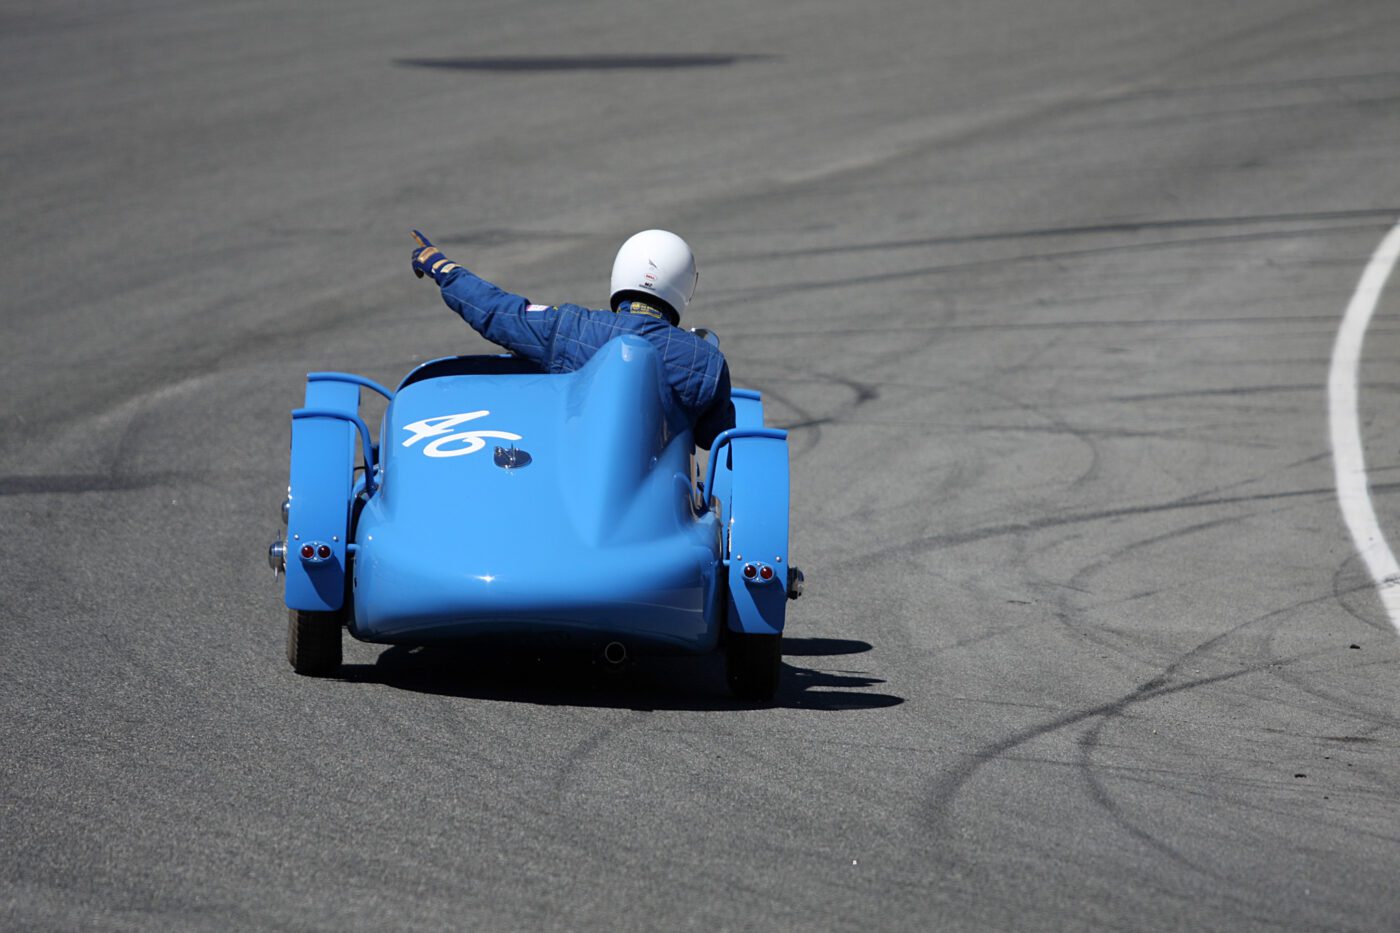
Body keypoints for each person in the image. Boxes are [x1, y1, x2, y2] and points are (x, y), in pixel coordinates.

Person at [410, 229, 735, 449]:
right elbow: (719, 442)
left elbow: (497, 312)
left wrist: (446, 271)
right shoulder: (705, 361)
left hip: (569, 474)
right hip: (654, 506)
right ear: (685, 287)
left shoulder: (571, 327)